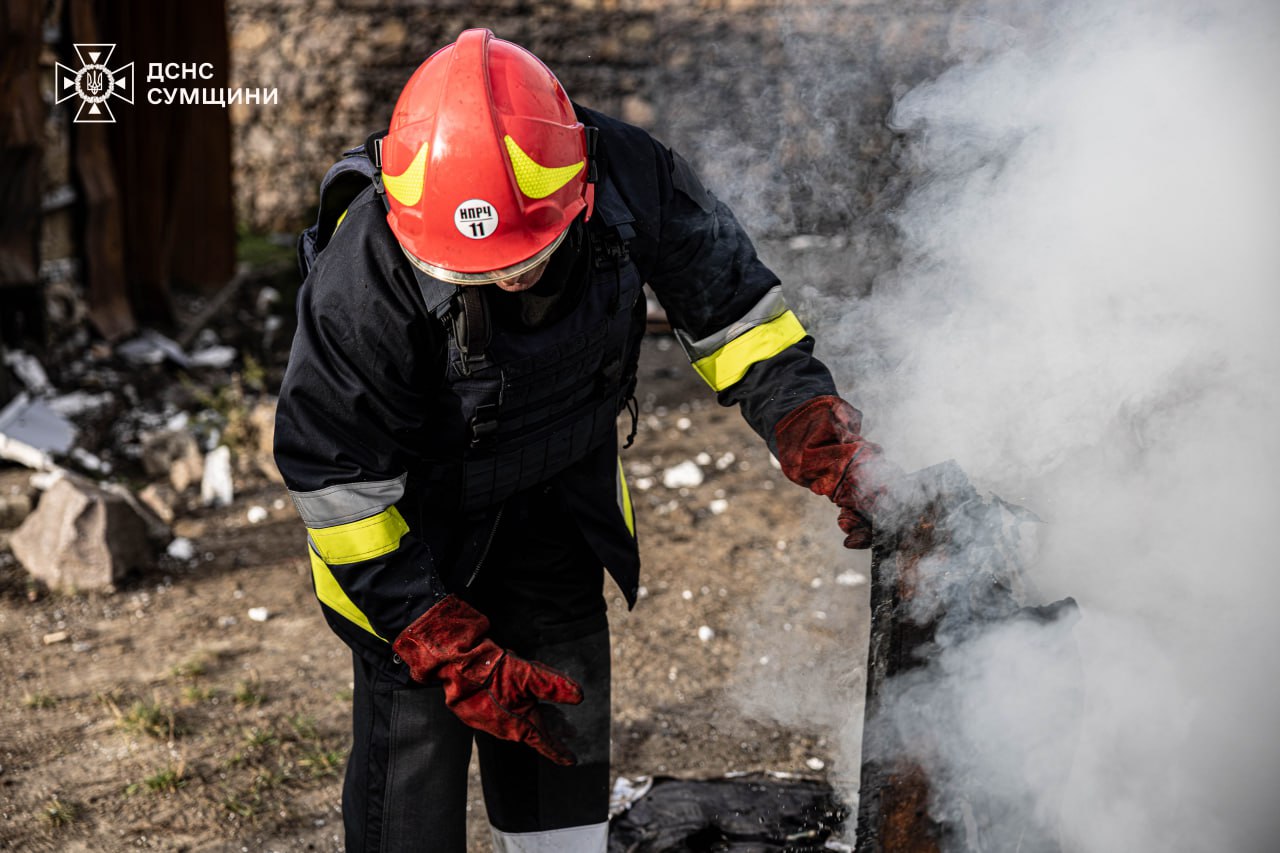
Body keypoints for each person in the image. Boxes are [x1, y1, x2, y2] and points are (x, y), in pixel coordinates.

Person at [274, 28, 890, 853]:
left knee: (557, 754)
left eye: (524, 256)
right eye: (479, 271)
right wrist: (438, 636)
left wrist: (814, 428)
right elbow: (337, 487)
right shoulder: (363, 276)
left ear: (577, 184)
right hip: (407, 549)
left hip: (560, 503)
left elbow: (738, 317)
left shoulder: (629, 173)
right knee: (410, 772)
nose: (506, 276)